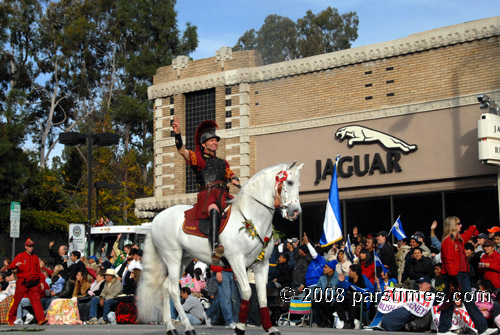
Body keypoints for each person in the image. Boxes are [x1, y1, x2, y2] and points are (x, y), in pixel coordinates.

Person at [172, 116, 240, 264]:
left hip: (223, 194)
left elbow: (230, 174)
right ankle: (215, 249)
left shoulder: (223, 162)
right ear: (204, 144)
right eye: (212, 140)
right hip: (207, 196)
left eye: (216, 140)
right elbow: (182, 151)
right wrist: (177, 134)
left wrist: (235, 179)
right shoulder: (198, 158)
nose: (215, 142)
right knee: (214, 210)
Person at [437, 216, 496, 335]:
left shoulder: (458, 240)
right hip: (455, 275)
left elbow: (467, 235)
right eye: (458, 224)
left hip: (462, 275)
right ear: (453, 225)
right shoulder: (449, 241)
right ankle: (444, 329)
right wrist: (453, 279)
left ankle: (482, 328)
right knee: (451, 300)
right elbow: (449, 261)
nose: (460, 225)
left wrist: (474, 226)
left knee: (461, 300)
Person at [6, 238, 47, 325]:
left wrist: (42, 281)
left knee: (36, 300)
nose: (31, 247)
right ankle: (10, 319)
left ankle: (41, 319)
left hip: (33, 282)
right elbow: (10, 266)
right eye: (29, 246)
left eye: (32, 246)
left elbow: (39, 272)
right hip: (22, 282)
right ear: (25, 247)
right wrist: (15, 265)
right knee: (16, 300)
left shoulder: (35, 258)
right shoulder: (20, 256)